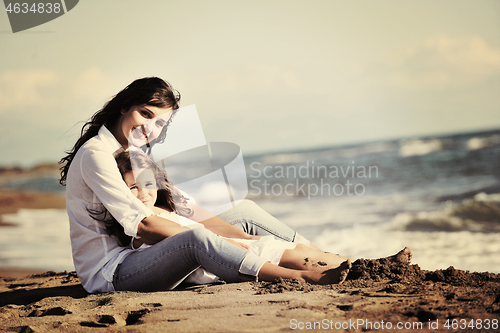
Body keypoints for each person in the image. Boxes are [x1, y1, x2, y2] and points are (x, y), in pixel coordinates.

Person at [60, 77, 359, 293]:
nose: (149, 128)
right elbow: (143, 226)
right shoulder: (96, 155)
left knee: (245, 212)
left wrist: (245, 237)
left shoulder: (134, 151)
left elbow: (187, 209)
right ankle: (295, 278)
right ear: (125, 106)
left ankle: (341, 264)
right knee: (198, 239)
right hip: (114, 270)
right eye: (145, 114)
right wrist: (229, 243)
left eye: (160, 124)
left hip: (144, 252)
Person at [99, 149, 355, 286]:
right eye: (132, 188)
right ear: (122, 193)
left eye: (146, 183)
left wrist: (245, 237)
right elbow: (177, 238)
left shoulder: (168, 206)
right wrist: (229, 242)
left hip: (224, 248)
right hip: (215, 260)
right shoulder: (137, 219)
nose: (142, 193)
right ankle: (304, 277)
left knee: (293, 250)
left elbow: (204, 219)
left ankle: (358, 264)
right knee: (295, 261)